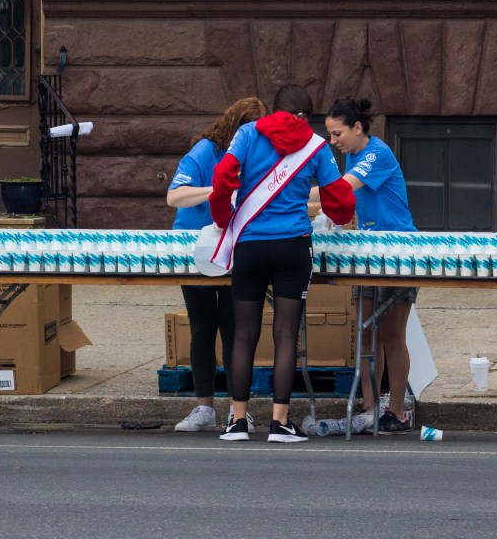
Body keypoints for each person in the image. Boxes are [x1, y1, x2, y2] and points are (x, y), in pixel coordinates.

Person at [208, 84, 355, 442]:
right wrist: (340, 215)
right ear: (307, 115)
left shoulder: (247, 133)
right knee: (286, 334)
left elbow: (222, 177)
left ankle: (237, 421)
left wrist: (223, 217)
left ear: (274, 110)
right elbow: (338, 198)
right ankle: (280, 422)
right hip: (293, 246)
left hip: (250, 246)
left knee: (243, 333)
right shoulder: (316, 145)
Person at [167, 97, 267, 432]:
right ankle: (204, 407)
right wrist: (216, 190)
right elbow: (174, 195)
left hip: (234, 248)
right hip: (196, 247)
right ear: (235, 127)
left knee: (235, 328)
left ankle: (238, 410)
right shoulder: (205, 151)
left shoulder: (254, 154)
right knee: (202, 326)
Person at [323, 98, 418, 434]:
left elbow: (341, 190)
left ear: (357, 128)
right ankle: (368, 409)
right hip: (368, 253)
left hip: (397, 252)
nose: (333, 141)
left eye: (337, 134)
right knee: (366, 333)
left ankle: (396, 412)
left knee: (392, 333)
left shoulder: (377, 154)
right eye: (330, 135)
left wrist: (286, 194)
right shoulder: (352, 155)